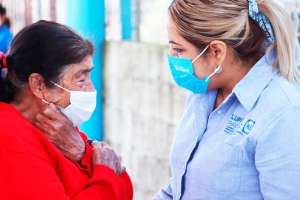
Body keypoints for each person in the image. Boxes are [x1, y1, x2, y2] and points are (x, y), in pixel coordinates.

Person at [154, 0, 300, 199]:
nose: (171, 56)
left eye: (178, 50)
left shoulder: (283, 114)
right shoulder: (202, 94)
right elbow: (180, 189)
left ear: (216, 52)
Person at [0, 20, 133, 200]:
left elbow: (124, 188)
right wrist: (106, 174)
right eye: (80, 80)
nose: (91, 89)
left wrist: (82, 153)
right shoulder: (10, 136)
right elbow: (114, 181)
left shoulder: (57, 126)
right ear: (38, 85)